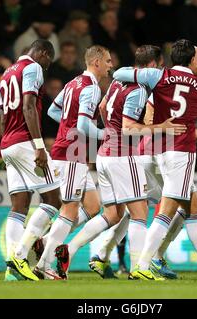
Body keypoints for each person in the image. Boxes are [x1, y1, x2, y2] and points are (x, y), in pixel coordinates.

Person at [112, 39, 197, 280]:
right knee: (168, 209)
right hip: (181, 151)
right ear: (190, 59)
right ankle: (142, 265)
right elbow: (190, 121)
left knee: (193, 206)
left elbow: (119, 73)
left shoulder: (158, 76)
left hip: (159, 149)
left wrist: (142, 73)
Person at [60, 45, 186, 278]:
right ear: (151, 65)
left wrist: (109, 129)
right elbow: (128, 128)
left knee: (113, 215)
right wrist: (160, 127)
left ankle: (68, 249)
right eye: (159, 66)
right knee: (139, 213)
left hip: (105, 156)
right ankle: (140, 268)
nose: (160, 72)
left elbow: (101, 107)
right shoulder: (138, 90)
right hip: (122, 156)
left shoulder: (117, 82)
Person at [29, 45, 112, 280]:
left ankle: (45, 241)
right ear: (96, 62)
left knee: (94, 205)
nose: (110, 65)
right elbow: (85, 125)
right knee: (69, 209)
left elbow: (54, 112)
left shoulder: (73, 82)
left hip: (72, 152)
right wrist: (106, 134)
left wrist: (69, 128)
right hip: (71, 154)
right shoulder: (91, 88)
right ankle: (44, 264)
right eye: (107, 61)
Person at [0, 40, 62, 282]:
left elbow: (4, 115)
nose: (46, 68)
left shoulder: (6, 74)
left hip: (7, 143)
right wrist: (39, 146)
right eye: (48, 62)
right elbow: (28, 106)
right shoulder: (33, 67)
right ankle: (20, 256)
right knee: (53, 199)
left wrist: (6, 145)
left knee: (20, 205)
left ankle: (12, 272)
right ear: (43, 54)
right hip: (25, 142)